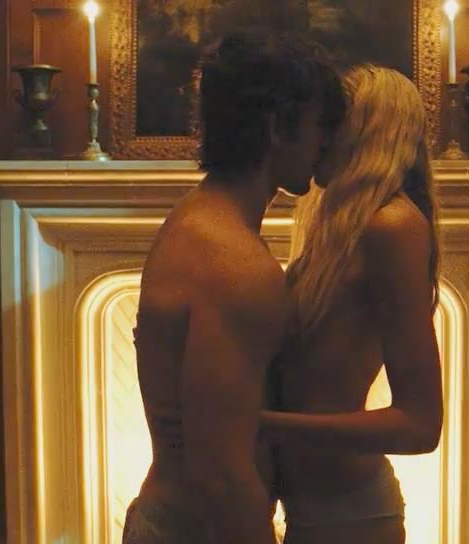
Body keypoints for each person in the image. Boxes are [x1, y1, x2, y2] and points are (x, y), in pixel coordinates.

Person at [125, 29, 344, 544]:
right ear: (277, 127)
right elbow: (221, 474)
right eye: (319, 124)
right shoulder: (236, 264)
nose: (326, 142)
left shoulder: (200, 218)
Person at [262, 64, 445, 544]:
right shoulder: (337, 224)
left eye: (331, 122)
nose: (317, 136)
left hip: (351, 517)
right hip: (311, 510)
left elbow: (421, 425)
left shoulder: (392, 226)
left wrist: (262, 426)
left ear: (367, 132)